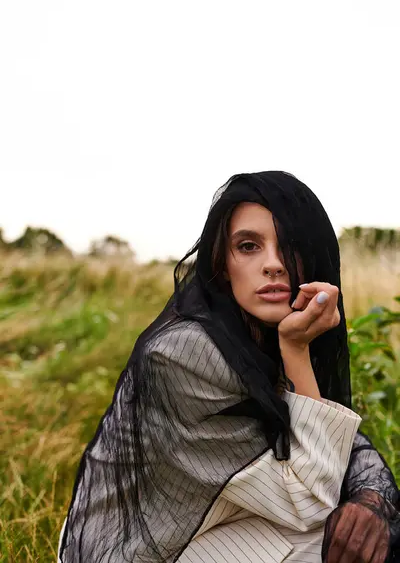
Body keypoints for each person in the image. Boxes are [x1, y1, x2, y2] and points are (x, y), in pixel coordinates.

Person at [58, 171, 400, 563]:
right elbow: (314, 501)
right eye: (249, 246)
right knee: (351, 544)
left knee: (375, 530)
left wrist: (372, 499)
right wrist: (296, 348)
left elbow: (350, 449)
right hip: (138, 547)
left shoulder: (265, 331)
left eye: (292, 246)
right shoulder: (181, 355)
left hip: (221, 522)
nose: (274, 265)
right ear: (222, 263)